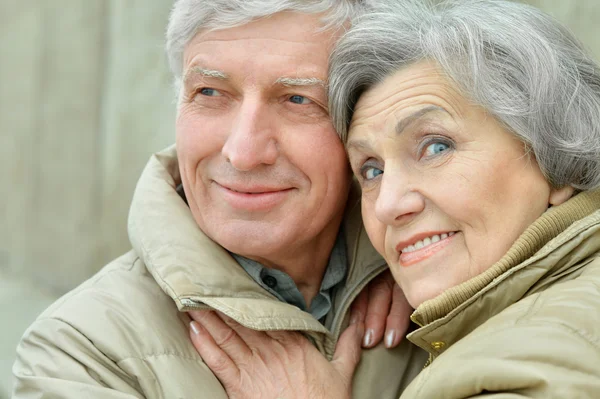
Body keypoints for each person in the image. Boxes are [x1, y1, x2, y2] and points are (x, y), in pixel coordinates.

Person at [11, 1, 428, 398]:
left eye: (298, 99)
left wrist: (404, 260)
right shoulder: (81, 352)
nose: (243, 153)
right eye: (210, 92)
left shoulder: (437, 289)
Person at [187, 0, 600, 397]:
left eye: (436, 147)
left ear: (555, 158)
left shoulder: (545, 348)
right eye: (371, 170)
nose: (386, 206)